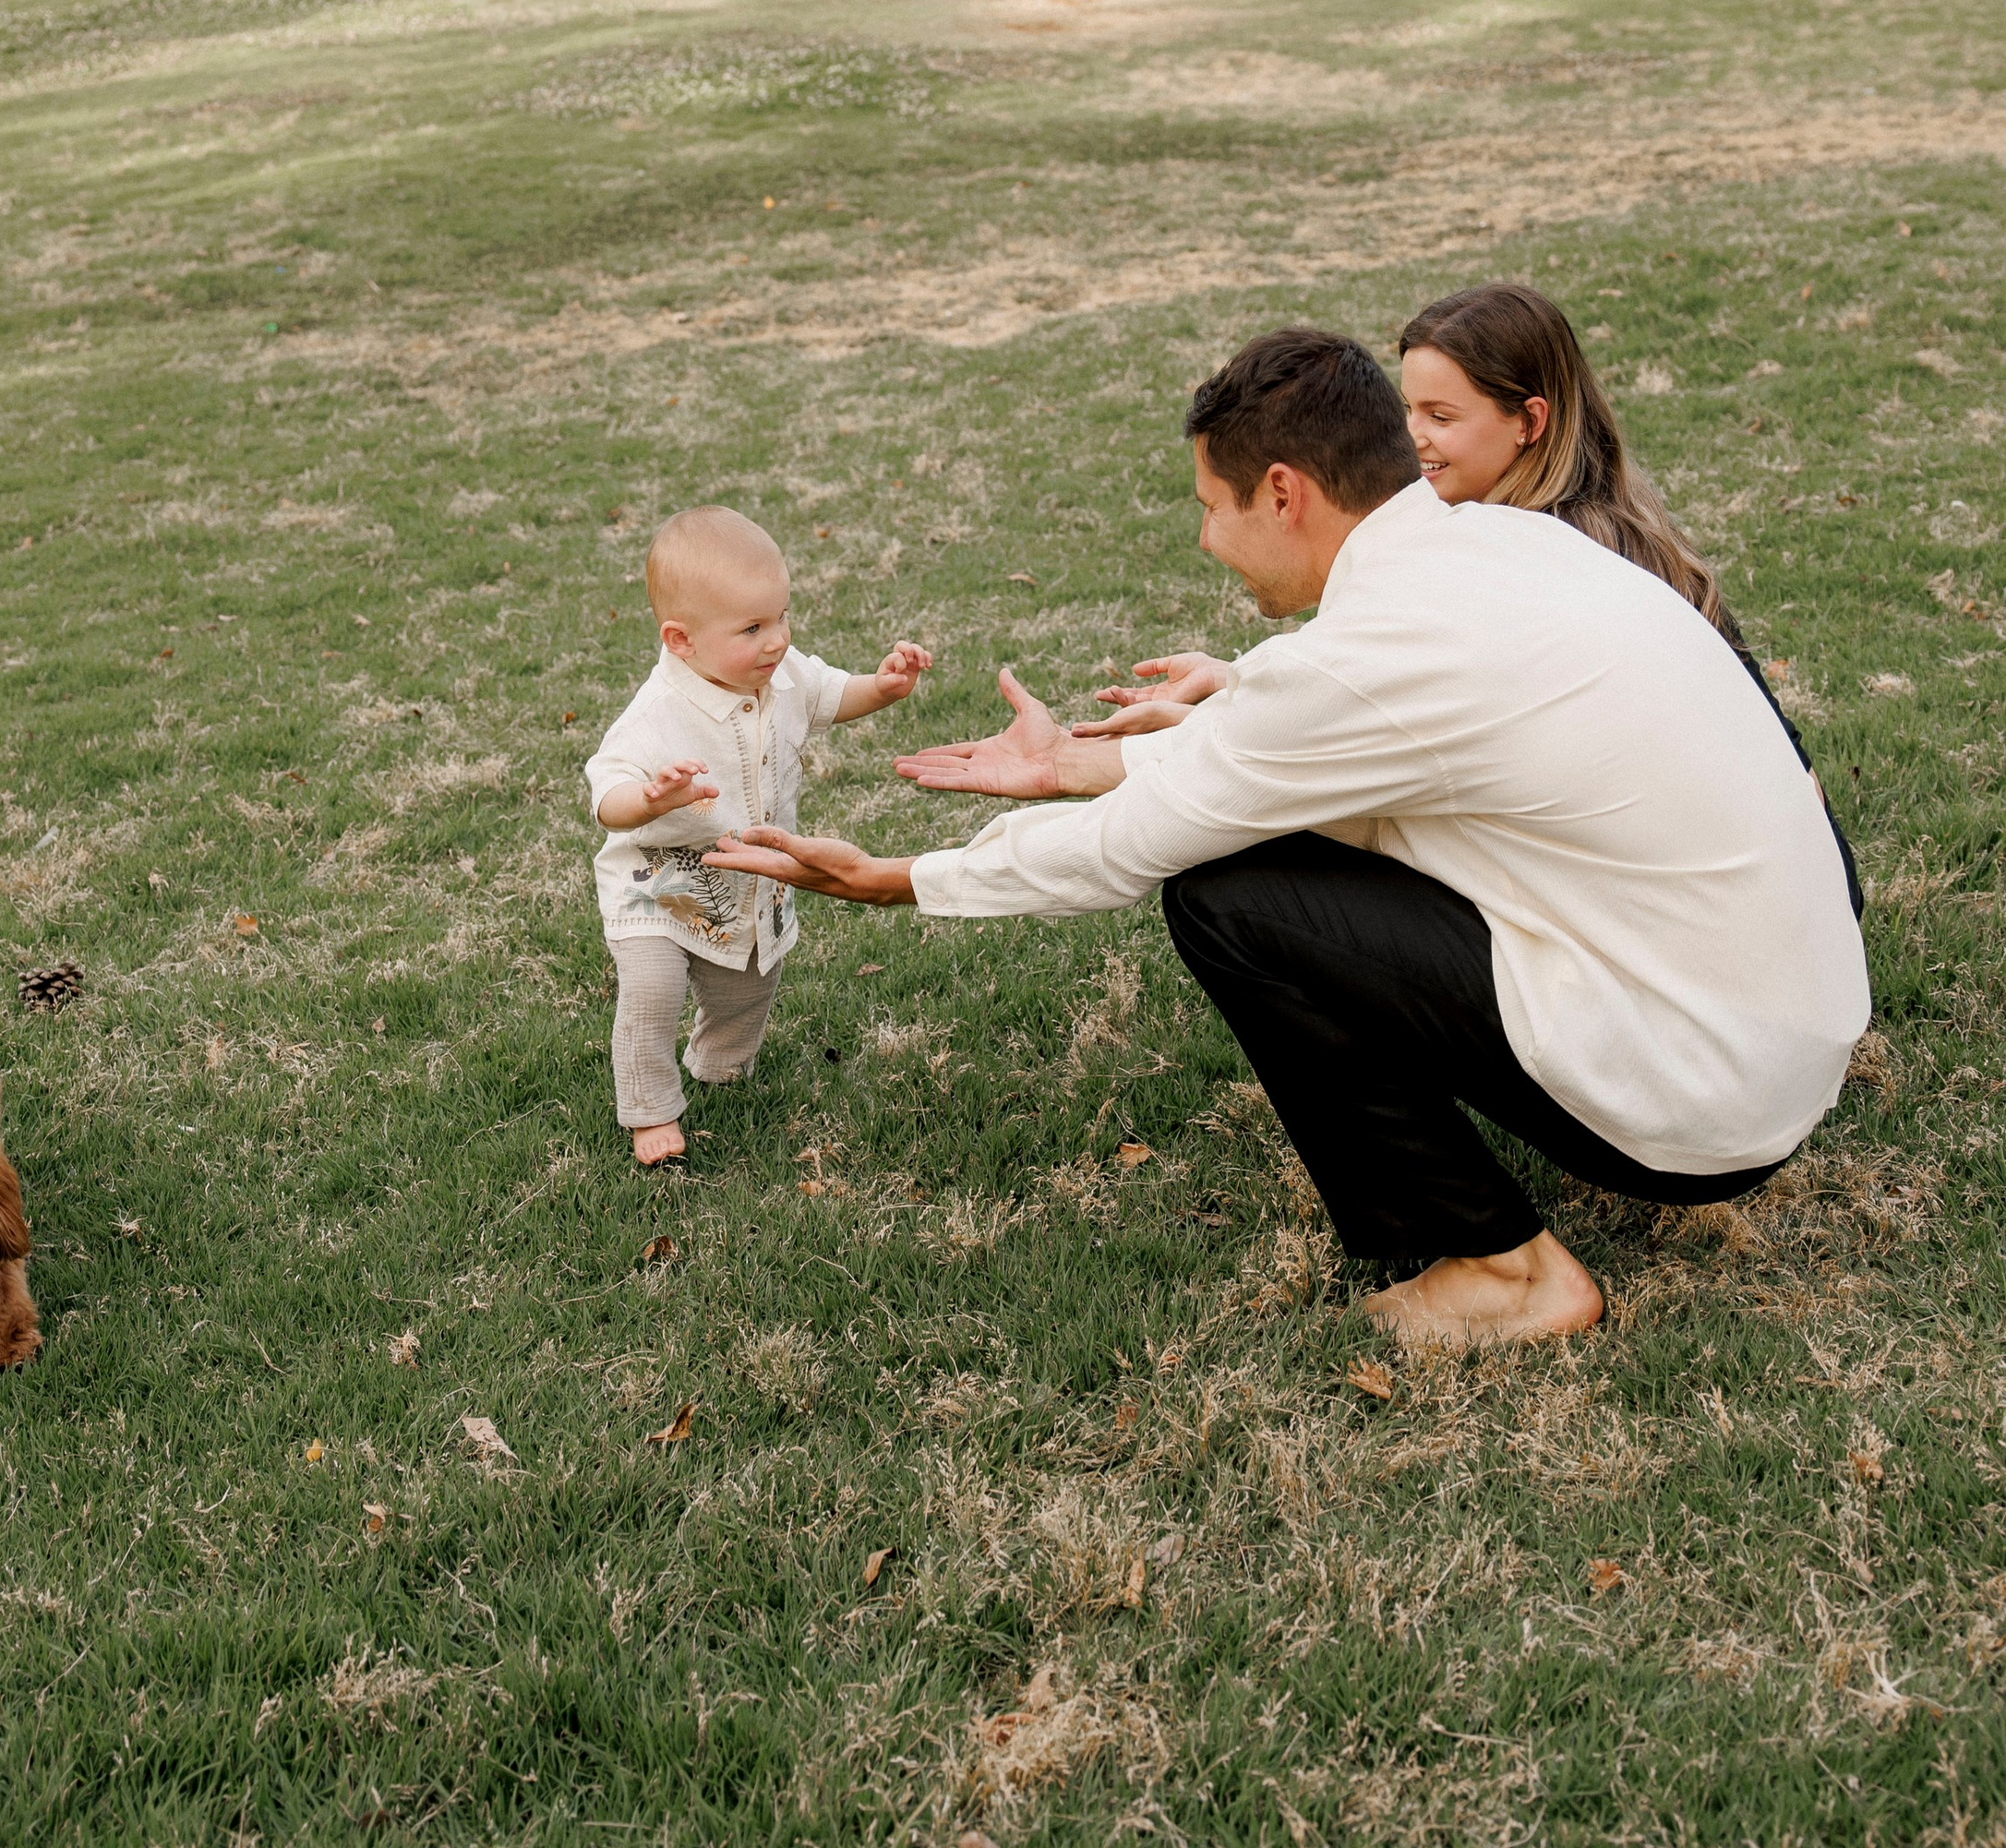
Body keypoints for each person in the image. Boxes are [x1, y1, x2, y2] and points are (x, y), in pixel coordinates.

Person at [710, 329, 1869, 1349]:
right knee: (1284, 853)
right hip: (1782, 1030)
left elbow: (1154, 837)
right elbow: (1298, 759)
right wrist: (1083, 765)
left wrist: (903, 879)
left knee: (1234, 900)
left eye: (1210, 506)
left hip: (1706, 1098)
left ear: (1281, 492)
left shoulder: (1372, 660)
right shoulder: (1503, 545)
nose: (1207, 538)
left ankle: (1498, 1271)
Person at [1098, 279, 1859, 908]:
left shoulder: (1567, 553)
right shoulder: (1513, 524)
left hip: (1721, 905)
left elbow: (1427, 726)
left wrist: (1224, 730)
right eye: (1407, 409)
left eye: (1441, 416)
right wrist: (1239, 690)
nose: (1411, 437)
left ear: (1529, 421)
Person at [585, 504, 931, 1168]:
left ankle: (719, 1064)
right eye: (752, 628)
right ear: (681, 640)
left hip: (748, 879)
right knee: (653, 989)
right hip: (659, 883)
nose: (776, 640)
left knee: (748, 983)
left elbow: (831, 694)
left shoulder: (782, 671)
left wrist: (883, 688)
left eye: (782, 617)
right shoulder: (657, 714)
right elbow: (608, 795)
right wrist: (650, 797)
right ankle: (651, 1107)